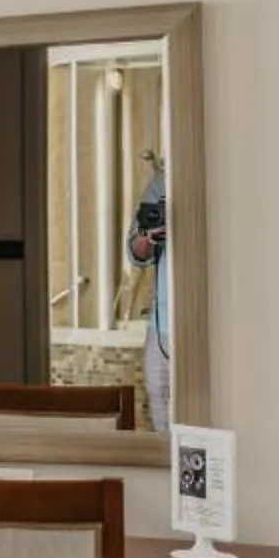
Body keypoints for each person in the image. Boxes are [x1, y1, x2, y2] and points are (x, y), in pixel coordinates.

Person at [128, 159, 171, 432]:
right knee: (157, 390)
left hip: (192, 312)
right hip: (162, 320)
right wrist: (149, 238)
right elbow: (134, 251)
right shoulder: (159, 185)